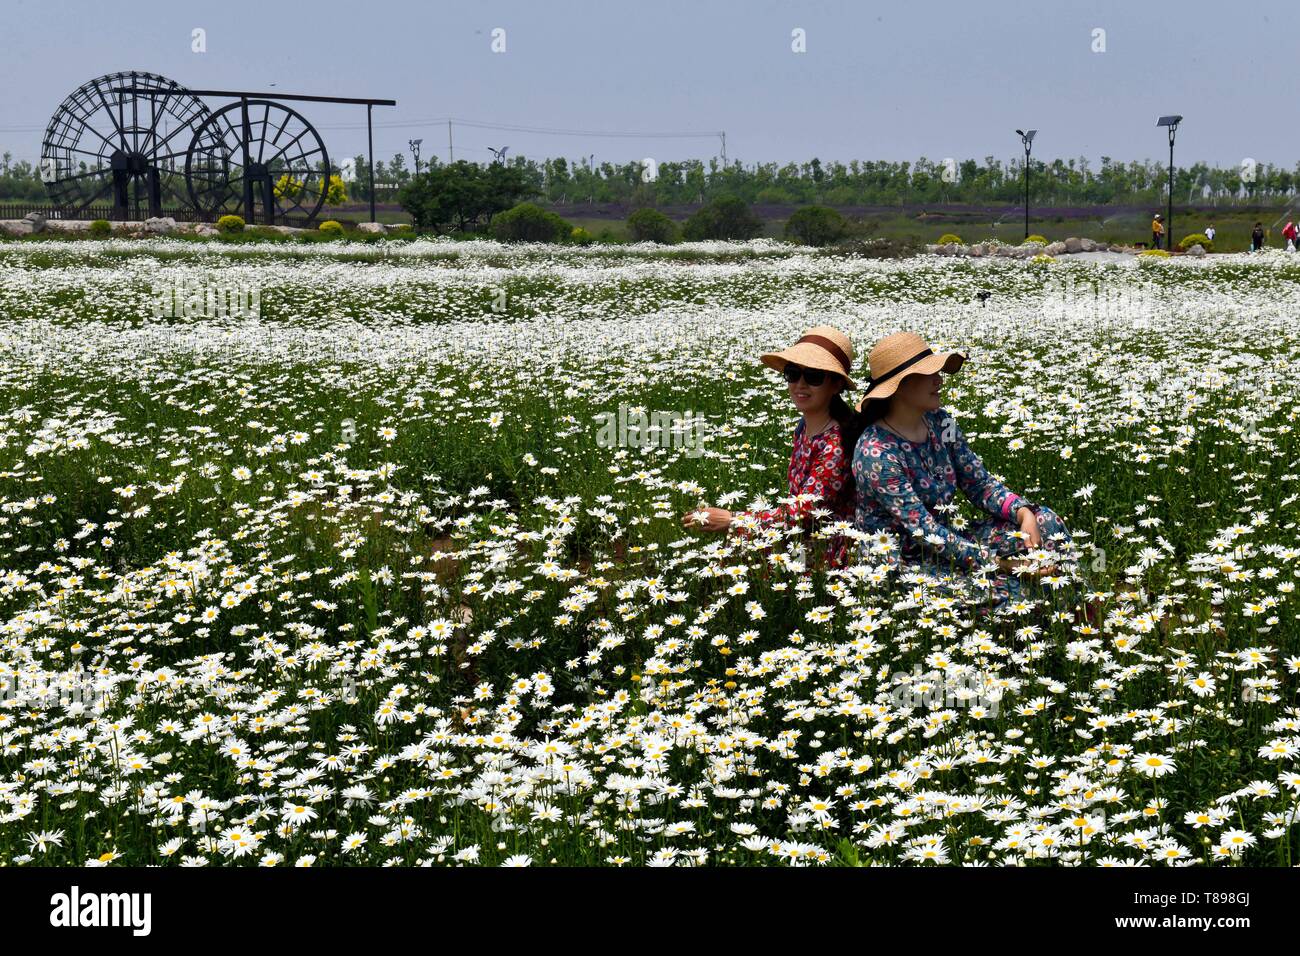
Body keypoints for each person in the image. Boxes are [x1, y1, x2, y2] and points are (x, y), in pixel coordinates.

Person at [851, 332, 1076, 615]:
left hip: (950, 541)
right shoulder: (877, 453)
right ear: (899, 386)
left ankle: (1073, 608)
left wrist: (1022, 512)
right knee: (1010, 591)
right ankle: (1046, 620)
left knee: (1046, 522)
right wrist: (1002, 564)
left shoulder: (940, 421)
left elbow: (978, 483)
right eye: (929, 373)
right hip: (906, 564)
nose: (939, 379)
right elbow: (924, 532)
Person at [684, 325, 860, 568]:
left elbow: (804, 512)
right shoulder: (805, 426)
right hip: (798, 538)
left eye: (814, 377)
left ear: (837, 385)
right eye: (792, 373)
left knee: (736, 561)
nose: (800, 384)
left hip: (826, 554)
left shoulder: (836, 443)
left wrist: (734, 520)